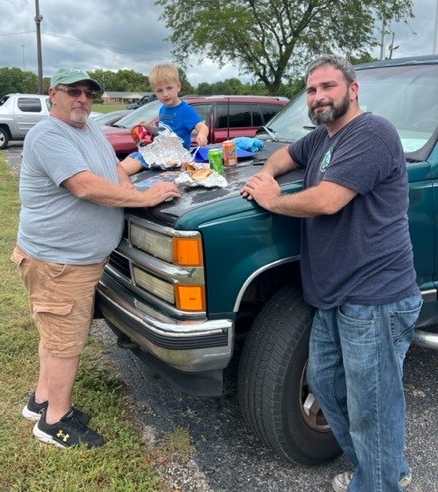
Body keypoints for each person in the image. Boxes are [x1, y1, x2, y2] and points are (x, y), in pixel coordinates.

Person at [241, 55, 421, 492]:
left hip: (375, 296)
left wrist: (271, 201)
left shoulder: (373, 133)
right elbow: (285, 154)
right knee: (326, 383)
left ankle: (377, 484)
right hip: (334, 295)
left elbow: (326, 201)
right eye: (312, 89)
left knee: (370, 405)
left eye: (328, 87)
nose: (319, 96)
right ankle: (383, 469)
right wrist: (266, 174)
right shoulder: (322, 138)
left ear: (353, 90)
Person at [11, 67, 181, 449]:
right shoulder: (47, 135)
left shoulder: (90, 131)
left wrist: (146, 185)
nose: (83, 99)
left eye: (89, 93)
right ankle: (55, 422)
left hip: (75, 261)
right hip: (58, 262)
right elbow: (84, 186)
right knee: (64, 343)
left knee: (55, 334)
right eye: (74, 92)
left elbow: (115, 172)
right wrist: (144, 199)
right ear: (53, 94)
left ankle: (40, 401)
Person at [120, 62, 209, 175]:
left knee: (140, 160)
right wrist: (150, 128)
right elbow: (162, 131)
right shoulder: (163, 109)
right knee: (133, 155)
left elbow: (202, 126)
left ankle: (114, 177)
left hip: (175, 154)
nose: (165, 94)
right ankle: (111, 171)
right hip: (161, 148)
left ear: (178, 86)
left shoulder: (185, 110)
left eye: (169, 88)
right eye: (160, 90)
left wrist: (201, 135)